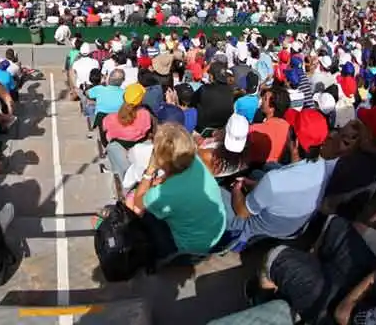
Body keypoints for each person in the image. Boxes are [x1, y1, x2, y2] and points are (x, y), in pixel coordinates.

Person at [222, 108, 329, 250]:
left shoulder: (274, 180)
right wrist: (255, 185)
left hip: (253, 235)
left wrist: (237, 188)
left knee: (217, 192)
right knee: (259, 173)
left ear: (295, 142)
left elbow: (242, 211)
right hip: (289, 231)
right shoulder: (324, 167)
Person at [127, 123, 227, 258]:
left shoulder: (162, 194)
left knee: (140, 212)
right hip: (217, 232)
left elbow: (138, 203)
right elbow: (173, 175)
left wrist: (149, 171)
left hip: (190, 248)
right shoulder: (195, 161)